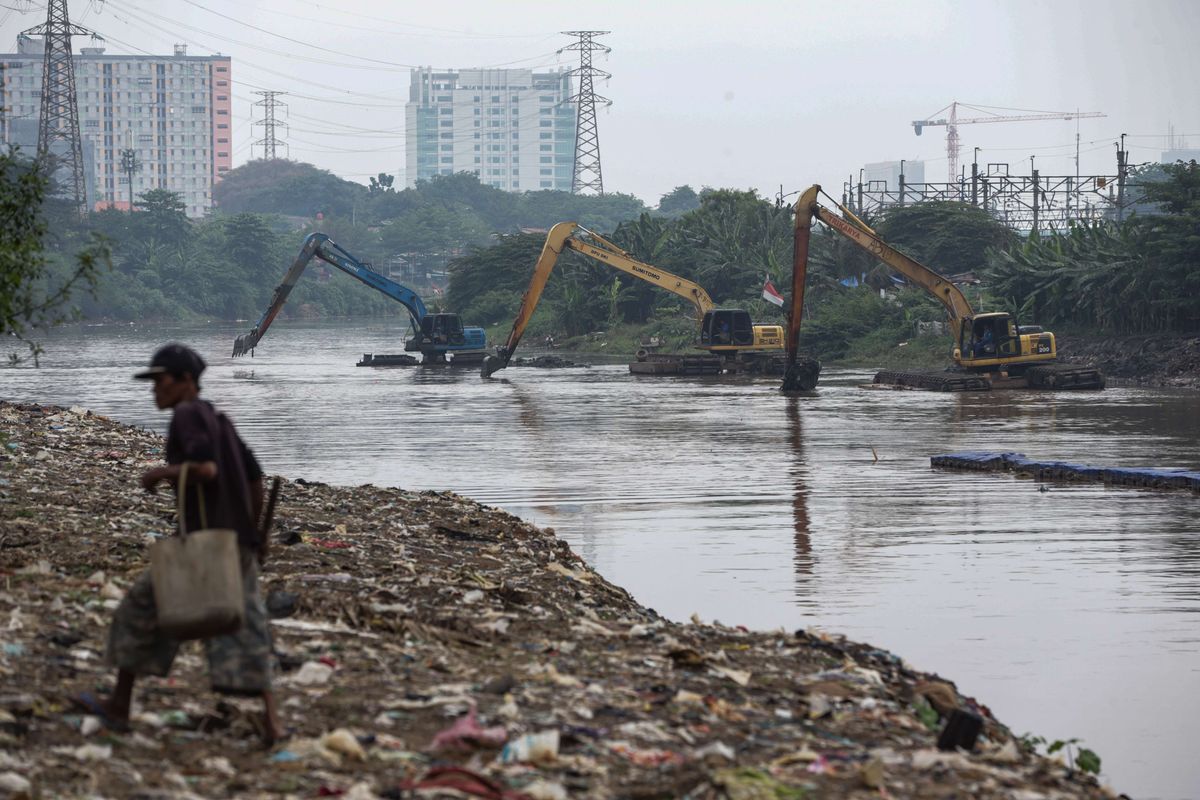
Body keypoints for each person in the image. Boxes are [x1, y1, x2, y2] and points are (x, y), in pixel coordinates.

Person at [77, 343, 283, 744]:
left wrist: (159, 473)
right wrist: (253, 533)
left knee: (140, 609)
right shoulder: (218, 418)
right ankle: (274, 723)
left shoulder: (187, 414)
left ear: (185, 381)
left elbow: (205, 469)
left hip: (204, 544)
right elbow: (255, 477)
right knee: (247, 627)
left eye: (161, 380)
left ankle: (119, 706)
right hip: (235, 541)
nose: (155, 389)